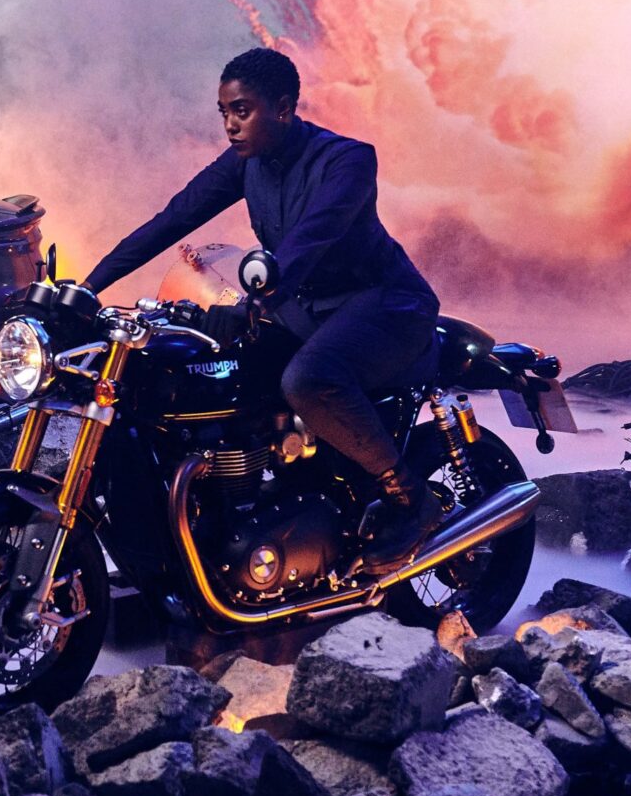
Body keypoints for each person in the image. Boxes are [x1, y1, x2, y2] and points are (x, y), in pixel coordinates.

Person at [83, 47, 444, 568]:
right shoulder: (245, 163)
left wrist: (252, 303)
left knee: (308, 380)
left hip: (384, 302)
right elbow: (172, 220)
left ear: (283, 107)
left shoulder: (347, 160)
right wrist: (87, 287)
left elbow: (309, 240)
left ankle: (411, 499)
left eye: (242, 110)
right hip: (305, 307)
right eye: (224, 112)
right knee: (215, 374)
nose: (230, 125)